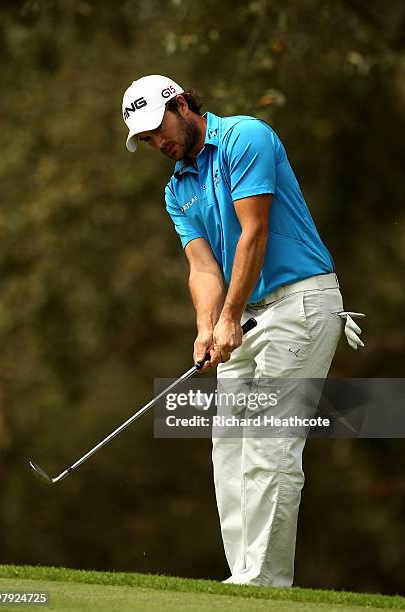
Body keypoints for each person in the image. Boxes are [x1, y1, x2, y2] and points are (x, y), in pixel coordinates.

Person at [121, 74, 365, 587]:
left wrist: (229, 317)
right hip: (245, 311)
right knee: (229, 445)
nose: (157, 143)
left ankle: (264, 583)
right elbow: (203, 268)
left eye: (157, 127)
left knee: (269, 443)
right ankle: (242, 580)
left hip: (300, 303)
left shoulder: (244, 137)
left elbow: (252, 230)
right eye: (145, 139)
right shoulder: (176, 190)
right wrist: (207, 327)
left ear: (181, 104)